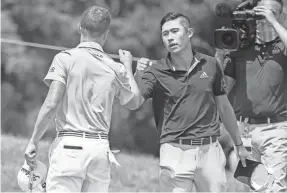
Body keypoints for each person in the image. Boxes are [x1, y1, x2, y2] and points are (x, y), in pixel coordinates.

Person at [24, 6, 142, 192]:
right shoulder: (115, 67)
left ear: (80, 27)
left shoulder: (65, 58)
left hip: (69, 147)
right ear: (106, 34)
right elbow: (135, 102)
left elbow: (51, 103)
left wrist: (34, 141)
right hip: (99, 150)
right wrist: (127, 67)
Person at [135, 12, 249, 192]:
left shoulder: (211, 64)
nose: (170, 38)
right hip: (174, 151)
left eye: (174, 31)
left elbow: (224, 107)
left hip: (210, 150)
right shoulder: (155, 71)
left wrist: (239, 144)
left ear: (189, 33)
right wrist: (135, 74)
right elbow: (133, 103)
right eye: (165, 34)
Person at [221, 0, 287, 191]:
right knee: (255, 187)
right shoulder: (241, 49)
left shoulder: (281, 46)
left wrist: (273, 22)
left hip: (275, 129)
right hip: (245, 131)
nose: (265, 17)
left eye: (272, 13)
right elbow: (223, 89)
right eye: (261, 13)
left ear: (280, 16)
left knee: (275, 188)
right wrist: (221, 55)